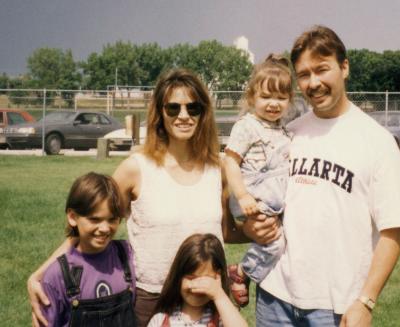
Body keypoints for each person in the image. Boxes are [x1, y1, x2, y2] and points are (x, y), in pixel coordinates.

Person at [28, 69, 245, 327]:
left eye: (193, 108)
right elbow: (91, 224)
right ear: (160, 113)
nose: (184, 116)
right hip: (150, 300)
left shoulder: (218, 169)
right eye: (173, 108)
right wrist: (40, 274)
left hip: (205, 297)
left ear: (204, 112)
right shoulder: (136, 168)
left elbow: (226, 231)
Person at [243, 25, 400, 326]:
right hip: (274, 298)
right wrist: (252, 227)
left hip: (335, 307)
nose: (314, 83)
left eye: (322, 70)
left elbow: (392, 233)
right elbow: (260, 203)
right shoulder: (288, 134)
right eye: (304, 74)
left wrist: (366, 300)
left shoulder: (377, 141)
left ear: (344, 67)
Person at [223, 54, 293, 307]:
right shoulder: (247, 126)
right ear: (252, 97)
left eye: (281, 98)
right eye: (266, 97)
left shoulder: (283, 129)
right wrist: (242, 196)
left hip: (272, 197)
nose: (273, 104)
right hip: (253, 195)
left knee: (283, 238)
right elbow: (230, 161)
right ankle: (240, 272)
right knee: (276, 242)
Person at [40, 172, 135, 327]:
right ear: (72, 217)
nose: (105, 228)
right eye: (94, 219)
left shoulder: (126, 256)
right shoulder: (56, 276)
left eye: (112, 219)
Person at [147, 233, 247, 327]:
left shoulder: (223, 318)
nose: (197, 286)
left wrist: (219, 295)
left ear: (218, 278)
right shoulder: (160, 320)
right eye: (191, 278)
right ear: (179, 277)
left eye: (205, 280)